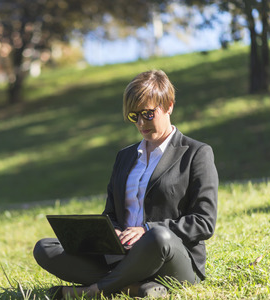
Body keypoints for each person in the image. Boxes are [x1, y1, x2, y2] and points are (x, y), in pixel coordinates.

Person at [33, 70, 218, 298]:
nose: (141, 123)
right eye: (134, 116)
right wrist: (112, 231)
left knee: (158, 237)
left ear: (169, 106)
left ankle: (94, 290)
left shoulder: (197, 153)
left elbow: (204, 222)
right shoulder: (125, 157)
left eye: (148, 114)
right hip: (120, 256)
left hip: (170, 259)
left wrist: (146, 230)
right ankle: (133, 287)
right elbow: (110, 213)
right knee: (46, 248)